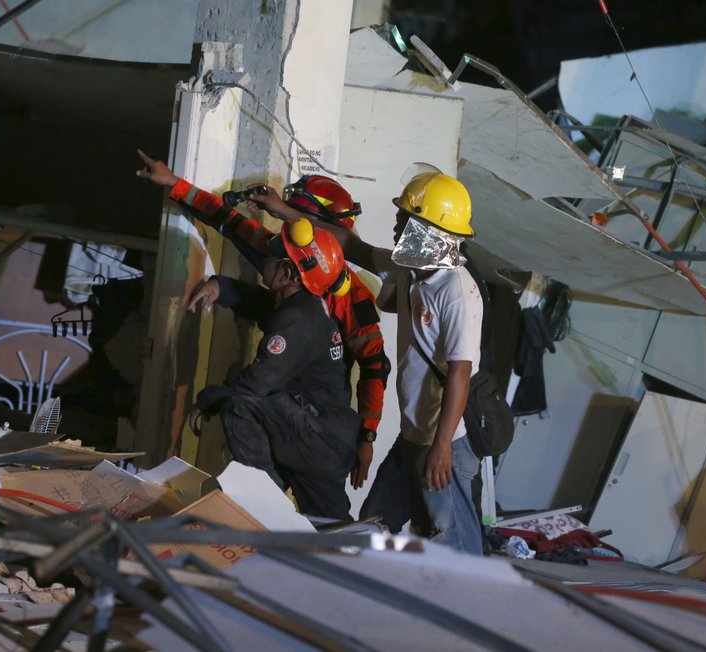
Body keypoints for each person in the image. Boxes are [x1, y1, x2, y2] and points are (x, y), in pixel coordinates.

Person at [250, 164, 484, 554]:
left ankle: (467, 611)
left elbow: (461, 372)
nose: (394, 227)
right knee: (374, 525)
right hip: (413, 436)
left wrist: (442, 445)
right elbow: (349, 244)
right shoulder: (413, 266)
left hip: (442, 441)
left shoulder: (456, 291)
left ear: (426, 231)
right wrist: (283, 211)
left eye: (402, 219)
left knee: (453, 544)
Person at [136, 151, 390, 490]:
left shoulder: (351, 299)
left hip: (318, 426)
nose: (277, 240)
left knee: (323, 514)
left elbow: (375, 368)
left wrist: (367, 436)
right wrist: (174, 183)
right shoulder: (284, 254)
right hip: (276, 402)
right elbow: (229, 222)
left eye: (293, 223)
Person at [184, 220, 360, 520]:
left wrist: (207, 399)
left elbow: (256, 385)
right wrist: (222, 286)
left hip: (315, 440)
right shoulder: (303, 309)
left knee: (238, 402)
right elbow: (263, 305)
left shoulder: (299, 321)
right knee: (330, 532)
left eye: (275, 255)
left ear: (288, 273)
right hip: (320, 436)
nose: (267, 257)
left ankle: (263, 505)